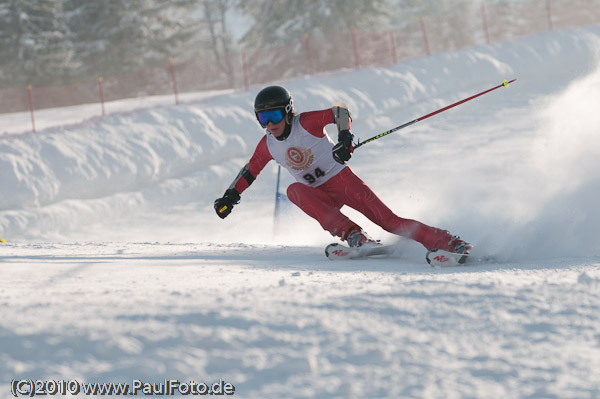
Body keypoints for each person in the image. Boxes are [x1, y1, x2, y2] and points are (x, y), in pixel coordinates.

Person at [214, 85, 470, 254]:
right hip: (319, 195)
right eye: (262, 119)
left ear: (288, 112)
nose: (270, 125)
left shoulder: (307, 123)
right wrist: (230, 196)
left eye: (275, 117)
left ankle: (450, 243)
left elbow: (340, 110)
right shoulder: (267, 145)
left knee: (390, 222)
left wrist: (344, 138)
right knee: (294, 190)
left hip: (343, 183)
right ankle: (355, 236)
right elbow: (250, 171)